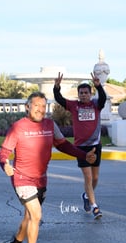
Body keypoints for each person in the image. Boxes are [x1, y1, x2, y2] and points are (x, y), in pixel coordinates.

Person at [0, 91, 96, 243]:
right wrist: (4, 163)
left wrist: (83, 155)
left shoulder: (50, 125)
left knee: (29, 216)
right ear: (27, 107)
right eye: (36, 106)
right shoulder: (18, 127)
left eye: (43, 106)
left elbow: (63, 144)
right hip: (22, 178)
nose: (40, 110)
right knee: (36, 215)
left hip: (41, 178)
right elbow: (4, 152)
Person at [53, 72, 106, 219]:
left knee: (95, 178)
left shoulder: (96, 104)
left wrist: (99, 86)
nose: (83, 95)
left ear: (90, 94)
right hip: (80, 148)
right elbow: (59, 99)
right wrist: (57, 87)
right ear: (78, 94)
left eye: (86, 93)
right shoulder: (74, 106)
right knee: (88, 178)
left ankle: (86, 195)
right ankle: (95, 207)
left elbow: (103, 98)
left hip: (95, 146)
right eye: (81, 93)